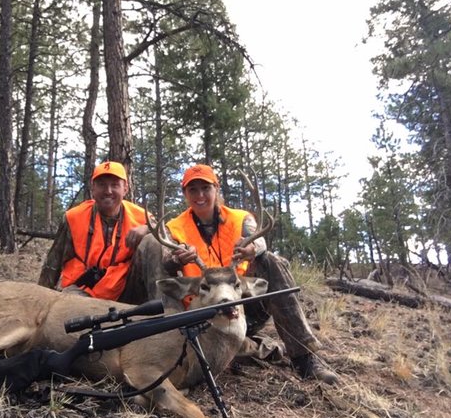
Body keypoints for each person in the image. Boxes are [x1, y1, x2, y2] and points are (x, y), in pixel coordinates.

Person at [154, 164, 338, 385]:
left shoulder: (240, 219)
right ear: (185, 194)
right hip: (203, 315)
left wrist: (254, 249)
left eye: (206, 188)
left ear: (216, 188)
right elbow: (166, 258)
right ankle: (261, 348)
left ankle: (305, 359)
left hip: (242, 305)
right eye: (193, 190)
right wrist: (177, 258)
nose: (200, 195)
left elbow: (258, 240)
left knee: (270, 260)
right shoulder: (175, 227)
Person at [38, 161, 151, 302]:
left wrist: (148, 229)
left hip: (125, 289)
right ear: (93, 188)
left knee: (153, 241)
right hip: (83, 290)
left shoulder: (143, 218)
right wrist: (40, 299)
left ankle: (166, 311)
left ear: (125, 188)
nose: (108, 191)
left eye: (115, 185)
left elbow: (166, 235)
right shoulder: (73, 218)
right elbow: (53, 263)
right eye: (102, 184)